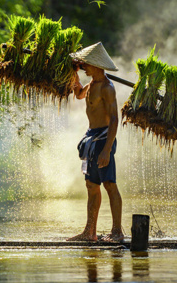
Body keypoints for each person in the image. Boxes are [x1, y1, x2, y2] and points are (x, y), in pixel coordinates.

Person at [67, 42, 123, 242]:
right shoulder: (92, 85)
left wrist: (107, 149)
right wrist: (74, 73)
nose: (84, 67)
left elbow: (115, 120)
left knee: (109, 184)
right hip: (91, 138)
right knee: (91, 185)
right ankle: (89, 232)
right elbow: (79, 93)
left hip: (103, 138)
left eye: (86, 65)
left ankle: (117, 231)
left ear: (97, 65)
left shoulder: (107, 88)